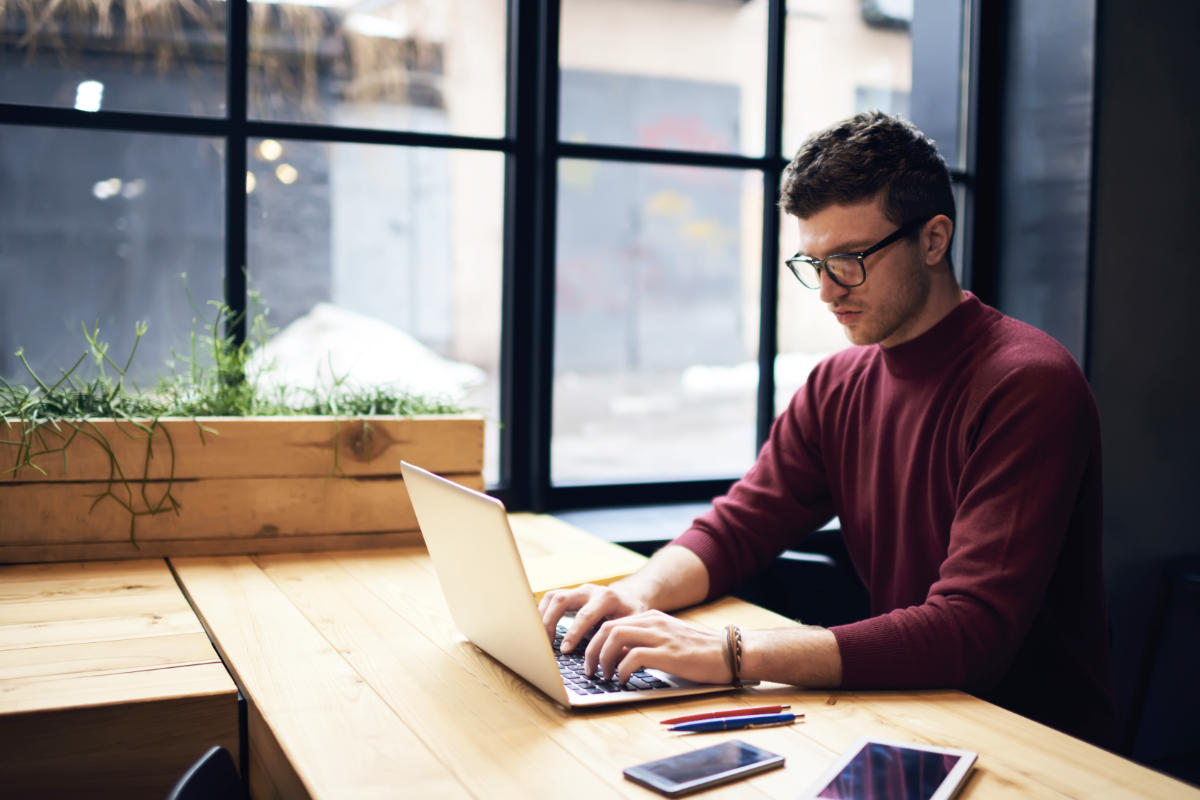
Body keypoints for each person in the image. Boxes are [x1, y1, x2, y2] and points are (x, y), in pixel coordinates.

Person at [539, 111, 1114, 746]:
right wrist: (637, 594)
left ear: (933, 239)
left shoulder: (1027, 383)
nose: (827, 292)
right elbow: (739, 527)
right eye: (813, 263)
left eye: (849, 259)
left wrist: (731, 654)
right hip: (911, 715)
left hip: (1031, 740)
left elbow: (970, 631)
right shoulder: (837, 383)